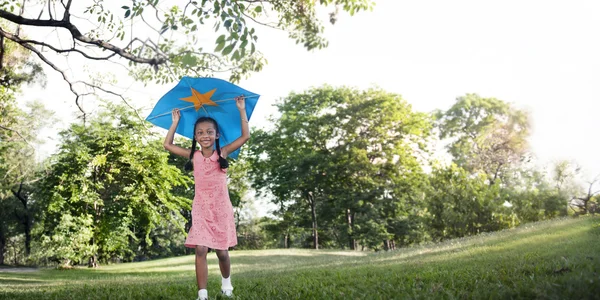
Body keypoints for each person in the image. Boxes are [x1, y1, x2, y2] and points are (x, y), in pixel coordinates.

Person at [163, 96, 249, 300]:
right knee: (200, 248)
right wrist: (174, 123)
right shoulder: (194, 156)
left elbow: (245, 136)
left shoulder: (223, 152)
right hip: (201, 209)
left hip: (221, 209)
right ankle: (202, 295)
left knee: (222, 252)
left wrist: (241, 110)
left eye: (209, 132)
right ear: (195, 136)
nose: (205, 135)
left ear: (217, 134)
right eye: (200, 133)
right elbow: (167, 144)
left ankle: (226, 283)